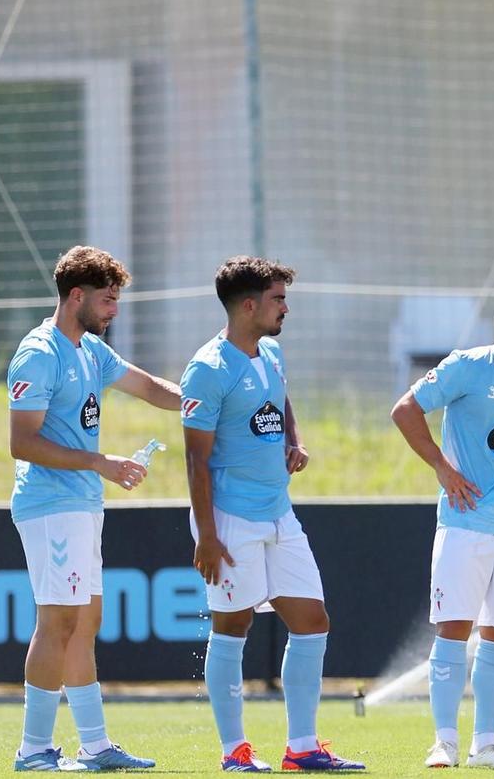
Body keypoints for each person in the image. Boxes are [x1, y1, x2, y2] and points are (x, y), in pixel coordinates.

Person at [182, 257, 364, 772]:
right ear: (249, 305)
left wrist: (293, 440)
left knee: (312, 621)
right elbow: (195, 457)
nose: (286, 307)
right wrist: (208, 536)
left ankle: (302, 748)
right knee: (232, 626)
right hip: (230, 519)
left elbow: (279, 400)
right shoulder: (208, 368)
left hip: (280, 513)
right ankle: (234, 751)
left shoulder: (273, 351)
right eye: (278, 299)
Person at [6, 245, 181, 773]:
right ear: (75, 295)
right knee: (57, 622)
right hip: (50, 505)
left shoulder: (89, 350)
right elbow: (22, 443)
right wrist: (100, 462)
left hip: (81, 503)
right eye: (107, 300)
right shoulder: (39, 352)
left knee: (85, 623)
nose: (114, 311)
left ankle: (96, 746)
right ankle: (33, 750)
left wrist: (202, 395)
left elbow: (147, 387)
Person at [390, 282, 494, 770]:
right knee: (453, 630)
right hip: (465, 523)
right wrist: (443, 468)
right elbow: (405, 411)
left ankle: (486, 744)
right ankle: (444, 742)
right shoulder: (468, 365)